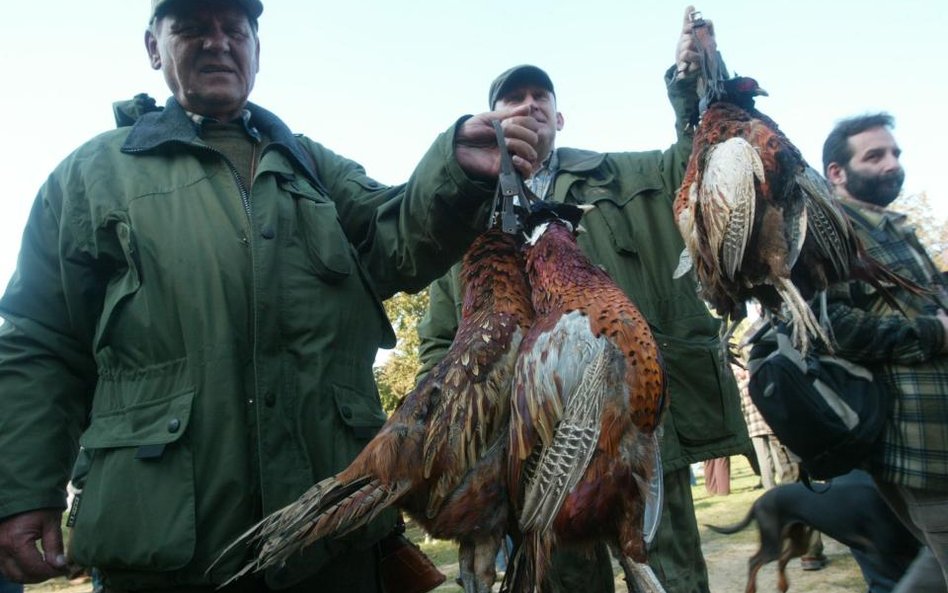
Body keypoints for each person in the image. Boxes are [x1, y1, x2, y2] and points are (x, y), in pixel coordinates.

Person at [0, 1, 546, 591]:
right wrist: (24, 489)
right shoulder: (92, 174)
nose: (217, 43)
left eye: (235, 29)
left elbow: (395, 237)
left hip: (329, 530)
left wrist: (457, 170)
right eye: (191, 29)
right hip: (166, 544)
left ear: (256, 49)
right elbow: (40, 341)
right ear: (154, 47)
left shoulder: (309, 164)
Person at [416, 7, 749, 592]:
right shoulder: (466, 223)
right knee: (561, 582)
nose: (527, 104)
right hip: (536, 449)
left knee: (670, 575)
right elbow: (441, 343)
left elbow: (699, 162)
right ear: (491, 121)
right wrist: (458, 439)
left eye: (539, 95)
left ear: (559, 115)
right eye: (512, 97)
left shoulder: (620, 178)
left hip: (640, 427)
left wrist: (698, 79)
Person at [822, 112, 948, 589]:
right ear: (837, 172)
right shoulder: (829, 233)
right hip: (917, 442)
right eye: (874, 156)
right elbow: (832, 329)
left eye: (895, 153)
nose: (892, 164)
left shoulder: (895, 228)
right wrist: (936, 335)